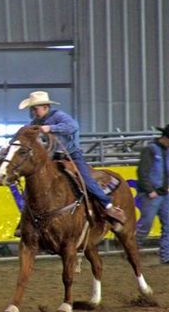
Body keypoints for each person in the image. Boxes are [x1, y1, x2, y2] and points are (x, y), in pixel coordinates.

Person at [20, 90, 126, 226]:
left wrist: (50, 128)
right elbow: (24, 133)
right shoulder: (35, 122)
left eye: (35, 109)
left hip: (71, 155)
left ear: (45, 107)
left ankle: (108, 206)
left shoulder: (59, 116)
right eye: (32, 109)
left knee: (86, 179)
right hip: (51, 158)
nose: (33, 112)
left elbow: (73, 127)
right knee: (36, 184)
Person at [135, 124, 169, 264]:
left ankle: (166, 256)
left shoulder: (161, 150)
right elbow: (142, 172)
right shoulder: (150, 150)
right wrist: (150, 190)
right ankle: (132, 248)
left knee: (168, 224)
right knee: (146, 224)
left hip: (163, 193)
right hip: (151, 194)